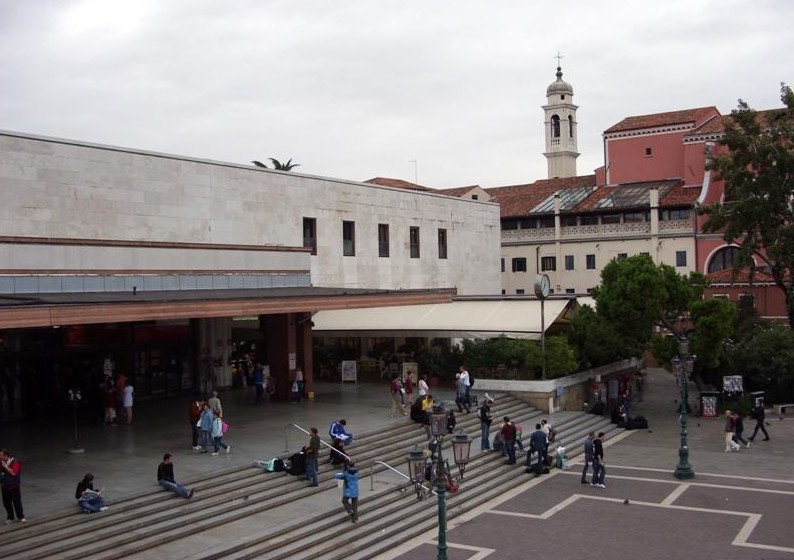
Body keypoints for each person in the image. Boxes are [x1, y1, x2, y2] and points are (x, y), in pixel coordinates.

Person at [0, 448, 25, 523]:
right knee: (6, 503)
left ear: (6, 456)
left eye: (1, 455)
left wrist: (6, 467)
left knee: (17, 502)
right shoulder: (1, 462)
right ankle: (10, 517)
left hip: (14, 486)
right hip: (5, 486)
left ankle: (21, 517)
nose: (0, 457)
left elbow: (14, 473)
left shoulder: (15, 462)